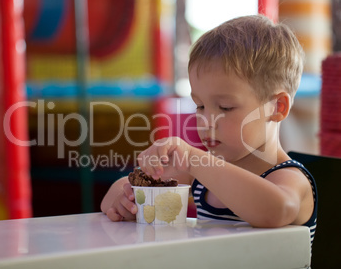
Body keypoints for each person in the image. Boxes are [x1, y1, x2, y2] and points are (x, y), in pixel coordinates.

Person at [100, 15, 317, 242]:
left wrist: (193, 159)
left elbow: (276, 210)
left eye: (225, 107)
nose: (206, 120)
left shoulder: (290, 179)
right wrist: (124, 199)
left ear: (277, 107)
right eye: (200, 106)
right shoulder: (201, 173)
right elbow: (121, 188)